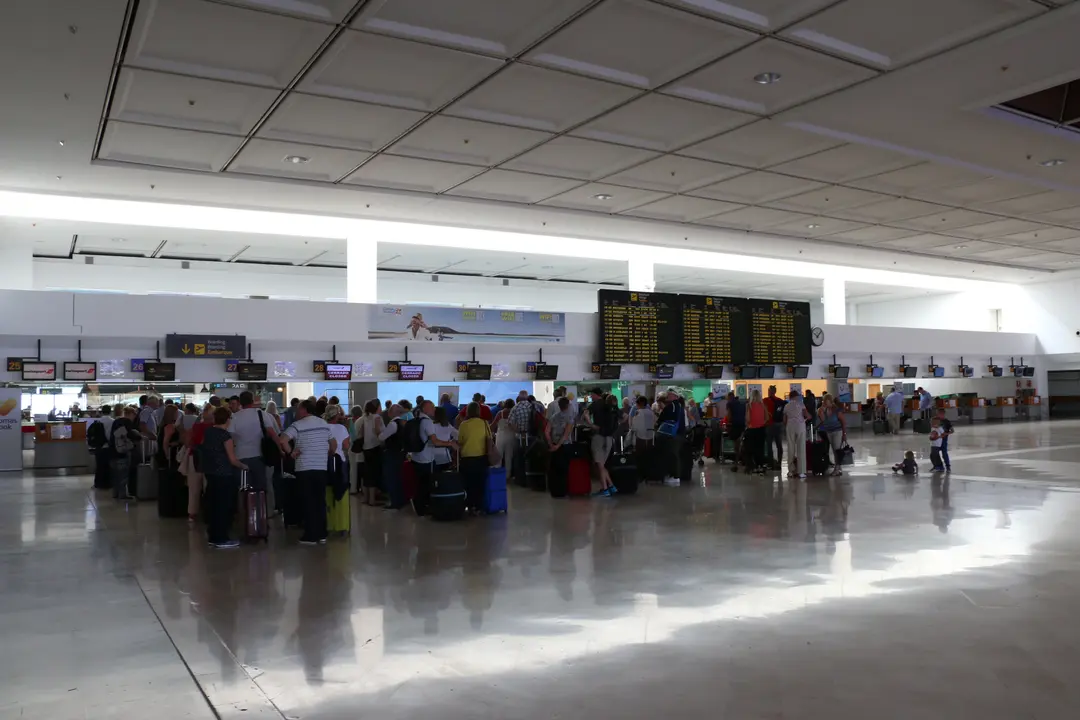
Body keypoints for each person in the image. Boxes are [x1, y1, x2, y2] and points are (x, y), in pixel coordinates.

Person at [279, 399, 336, 544]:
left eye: (298, 409)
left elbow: (282, 440)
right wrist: (327, 453)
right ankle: (322, 534)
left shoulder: (297, 425)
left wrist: (291, 453)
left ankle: (311, 535)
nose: (297, 412)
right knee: (319, 500)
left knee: (308, 501)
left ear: (304, 410)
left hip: (304, 467)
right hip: (321, 467)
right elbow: (333, 443)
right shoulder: (323, 423)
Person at [200, 407, 248, 549]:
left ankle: (213, 535)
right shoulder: (225, 436)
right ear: (228, 419)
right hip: (224, 474)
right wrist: (244, 466)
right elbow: (232, 459)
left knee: (214, 505)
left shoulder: (208, 432)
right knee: (224, 507)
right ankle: (221, 538)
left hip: (210, 473)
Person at [227, 391, 278, 510]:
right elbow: (272, 433)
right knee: (260, 489)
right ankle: (260, 515)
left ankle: (245, 516)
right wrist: (280, 450)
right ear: (252, 401)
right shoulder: (261, 414)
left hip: (240, 458)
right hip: (258, 456)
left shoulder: (235, 417)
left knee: (243, 488)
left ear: (240, 402)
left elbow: (230, 437)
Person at [405, 400, 456, 516]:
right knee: (425, 484)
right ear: (425, 409)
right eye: (432, 407)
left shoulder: (417, 419)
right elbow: (435, 441)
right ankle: (421, 508)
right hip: (426, 458)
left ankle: (420, 505)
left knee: (420, 483)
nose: (434, 409)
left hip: (416, 456)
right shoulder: (427, 422)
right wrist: (450, 443)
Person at [458, 402, 491, 513]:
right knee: (480, 483)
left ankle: (469, 504)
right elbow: (489, 438)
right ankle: (478, 506)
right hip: (481, 457)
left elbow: (460, 441)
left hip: (467, 458)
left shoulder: (463, 424)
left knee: (468, 482)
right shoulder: (484, 423)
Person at [324, 405, 351, 536]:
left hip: (324, 462)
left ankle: (329, 524)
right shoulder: (342, 428)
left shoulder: (322, 427)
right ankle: (342, 526)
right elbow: (346, 445)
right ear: (337, 415)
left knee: (327, 493)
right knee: (341, 493)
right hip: (339, 462)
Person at [186, 404, 214, 523]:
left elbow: (189, 442)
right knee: (209, 486)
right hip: (211, 459)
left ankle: (192, 513)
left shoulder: (196, 426)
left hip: (195, 457)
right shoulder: (215, 427)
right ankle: (210, 511)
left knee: (193, 488)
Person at [586, 388, 617, 496]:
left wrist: (591, 424)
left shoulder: (594, 405)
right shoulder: (609, 405)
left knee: (600, 465)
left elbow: (585, 415)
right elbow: (624, 417)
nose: (590, 396)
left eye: (591, 394)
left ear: (595, 394)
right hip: (609, 437)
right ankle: (611, 486)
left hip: (598, 436)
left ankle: (605, 489)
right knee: (602, 464)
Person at [378, 404, 407, 509]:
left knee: (391, 477)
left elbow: (382, 437)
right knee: (398, 477)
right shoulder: (402, 423)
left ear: (391, 413)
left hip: (391, 453)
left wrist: (378, 429)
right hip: (400, 453)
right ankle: (400, 500)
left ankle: (394, 502)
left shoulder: (392, 424)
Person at [109, 407, 140, 500]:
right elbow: (131, 435)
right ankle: (122, 494)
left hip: (112, 452)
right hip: (122, 452)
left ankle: (115, 493)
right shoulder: (127, 422)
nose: (134, 417)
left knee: (115, 475)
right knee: (123, 475)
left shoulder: (115, 422)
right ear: (130, 414)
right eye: (134, 415)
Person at [358, 400, 385, 506]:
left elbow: (361, 433)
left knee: (367, 473)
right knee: (374, 473)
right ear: (377, 407)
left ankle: (366, 498)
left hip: (366, 448)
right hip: (375, 447)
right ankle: (372, 500)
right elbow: (378, 431)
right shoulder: (377, 417)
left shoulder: (365, 417)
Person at [657, 389, 686, 486]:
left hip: (674, 434)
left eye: (669, 395)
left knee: (673, 454)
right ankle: (674, 475)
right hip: (679, 433)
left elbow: (666, 418)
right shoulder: (680, 405)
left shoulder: (673, 405)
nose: (668, 396)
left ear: (675, 396)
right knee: (675, 454)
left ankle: (675, 476)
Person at [817, 395, 847, 476]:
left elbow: (843, 422)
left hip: (838, 431)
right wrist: (821, 411)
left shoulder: (837, 410)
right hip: (829, 432)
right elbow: (824, 421)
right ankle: (838, 467)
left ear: (830, 401)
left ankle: (837, 469)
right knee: (834, 450)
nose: (825, 403)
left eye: (827, 402)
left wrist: (844, 434)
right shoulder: (823, 410)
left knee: (837, 450)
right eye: (824, 401)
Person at [783, 391, 811, 479]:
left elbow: (784, 420)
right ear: (796, 396)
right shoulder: (801, 404)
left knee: (791, 448)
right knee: (801, 448)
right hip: (800, 426)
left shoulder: (786, 406)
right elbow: (807, 415)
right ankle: (801, 472)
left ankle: (791, 471)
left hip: (790, 426)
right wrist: (807, 417)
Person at [629, 396, 655, 482]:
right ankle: (648, 475)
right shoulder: (651, 412)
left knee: (639, 458)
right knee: (648, 457)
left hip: (640, 438)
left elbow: (634, 426)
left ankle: (640, 476)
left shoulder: (638, 412)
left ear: (639, 404)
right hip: (650, 438)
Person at [88, 405, 114, 490]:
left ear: (102, 412)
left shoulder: (97, 422)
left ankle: (98, 484)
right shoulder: (113, 421)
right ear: (110, 411)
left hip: (99, 447)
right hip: (109, 446)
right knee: (108, 466)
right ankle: (108, 484)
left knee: (99, 466)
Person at [744, 389, 768, 474]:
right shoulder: (763, 405)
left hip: (752, 430)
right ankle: (760, 466)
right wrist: (761, 422)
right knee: (760, 449)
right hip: (761, 430)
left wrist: (748, 424)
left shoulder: (749, 405)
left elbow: (748, 419)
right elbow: (767, 417)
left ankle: (752, 467)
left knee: (751, 449)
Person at [763, 386, 786, 468]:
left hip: (769, 424)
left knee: (769, 445)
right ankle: (779, 462)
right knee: (779, 444)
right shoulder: (780, 401)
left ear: (769, 391)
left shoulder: (765, 400)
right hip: (779, 424)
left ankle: (770, 463)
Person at [431, 407, 459, 473]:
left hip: (433, 455)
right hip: (445, 455)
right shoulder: (447, 425)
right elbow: (458, 435)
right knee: (444, 477)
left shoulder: (431, 425)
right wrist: (451, 442)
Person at [491, 398, 516, 469]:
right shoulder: (514, 413)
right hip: (511, 436)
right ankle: (507, 476)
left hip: (500, 436)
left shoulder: (500, 413)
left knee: (499, 456)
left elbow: (493, 425)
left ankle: (498, 474)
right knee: (509, 457)